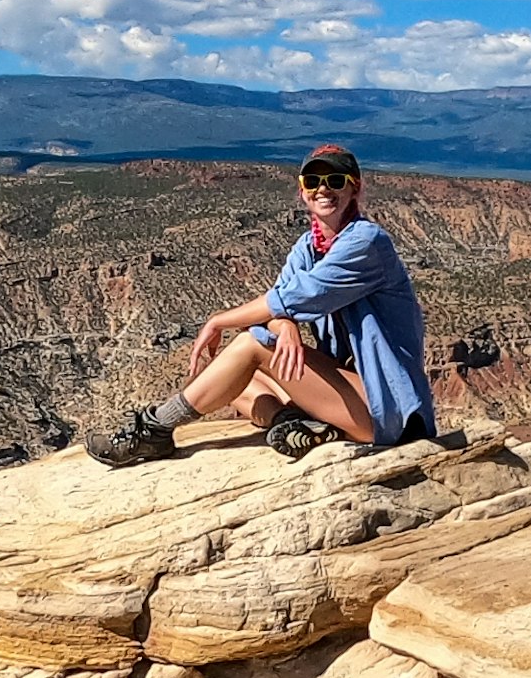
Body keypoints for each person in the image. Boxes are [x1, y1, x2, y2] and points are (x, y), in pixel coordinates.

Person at [89, 144, 433, 465]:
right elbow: (278, 306)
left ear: (354, 188)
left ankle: (155, 428)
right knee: (233, 379)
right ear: (302, 191)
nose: (323, 189)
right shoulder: (308, 247)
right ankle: (296, 423)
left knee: (251, 344)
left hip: (390, 412)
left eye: (335, 181)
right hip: (348, 399)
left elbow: (291, 297)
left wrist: (217, 321)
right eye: (313, 181)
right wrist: (285, 326)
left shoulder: (366, 242)